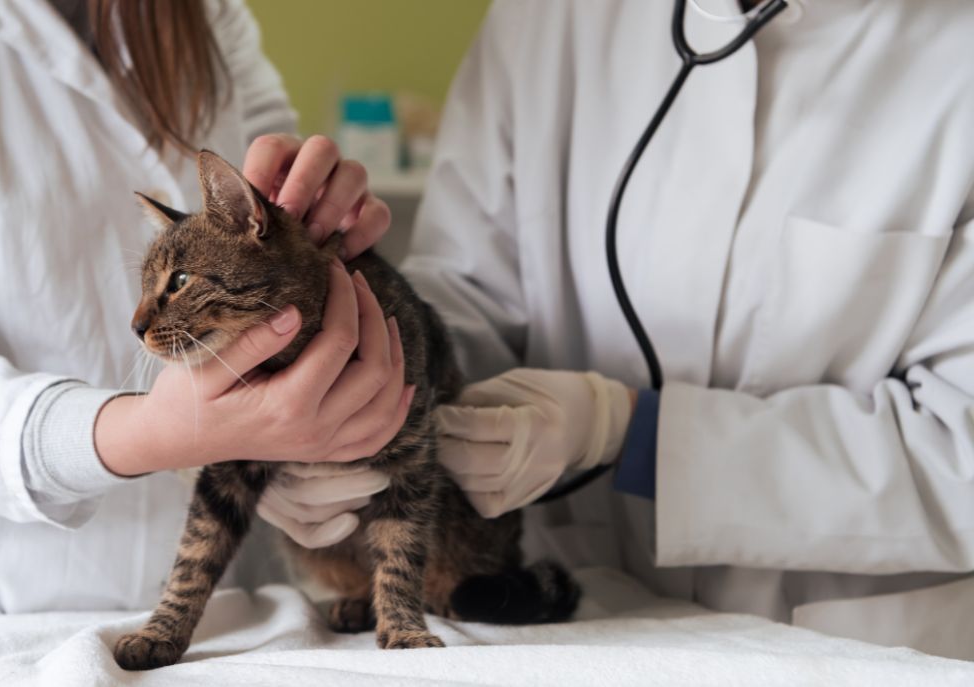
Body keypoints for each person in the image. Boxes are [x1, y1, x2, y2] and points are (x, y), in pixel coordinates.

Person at [274, 0, 974, 660]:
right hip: (569, 622)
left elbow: (961, 449)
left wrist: (632, 434)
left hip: (857, 638)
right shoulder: (546, 18)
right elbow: (465, 297)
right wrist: (348, 403)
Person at [0, 0, 400, 644]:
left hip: (215, 619)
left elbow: (275, 215)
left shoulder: (207, 14)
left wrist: (316, 220)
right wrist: (153, 433)